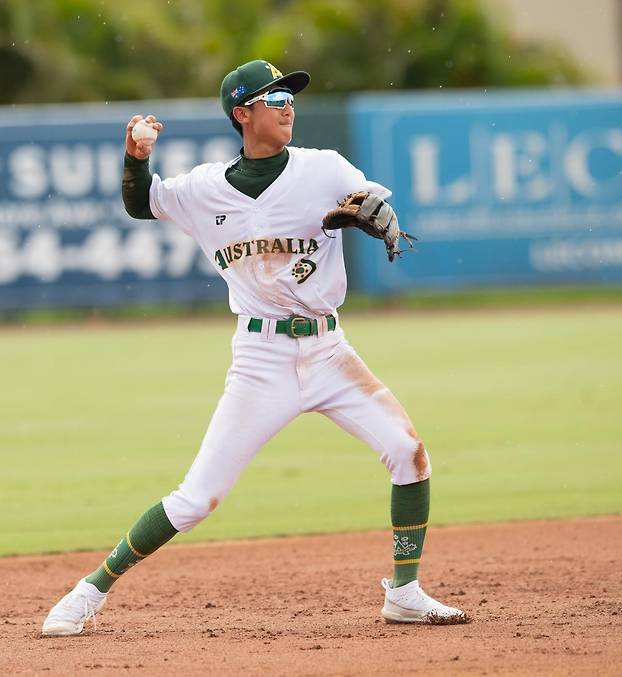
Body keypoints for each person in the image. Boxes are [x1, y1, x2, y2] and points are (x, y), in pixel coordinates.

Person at [41, 59, 466, 636]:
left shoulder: (323, 168)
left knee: (409, 454)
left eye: (290, 96)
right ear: (242, 114)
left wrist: (376, 210)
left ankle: (405, 592)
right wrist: (136, 158)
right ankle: (90, 590)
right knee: (196, 499)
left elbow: (370, 201)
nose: (288, 105)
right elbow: (143, 203)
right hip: (260, 361)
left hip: (329, 350)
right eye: (273, 98)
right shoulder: (203, 188)